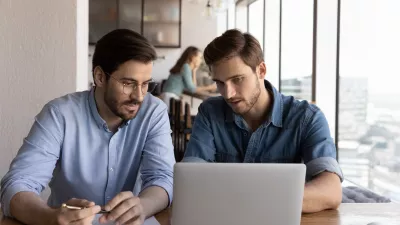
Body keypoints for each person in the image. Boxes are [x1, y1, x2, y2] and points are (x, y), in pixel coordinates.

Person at [0, 29, 175, 225]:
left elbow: (163, 177)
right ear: (100, 77)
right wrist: (49, 217)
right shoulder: (59, 114)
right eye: (128, 83)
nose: (139, 96)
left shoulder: (153, 111)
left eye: (145, 85)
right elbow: (18, 184)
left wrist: (143, 206)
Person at [182, 29, 343, 213]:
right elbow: (190, 181)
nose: (228, 93)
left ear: (261, 70)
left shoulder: (307, 117)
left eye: (237, 79)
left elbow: (331, 191)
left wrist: (250, 200)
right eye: (220, 82)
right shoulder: (210, 112)